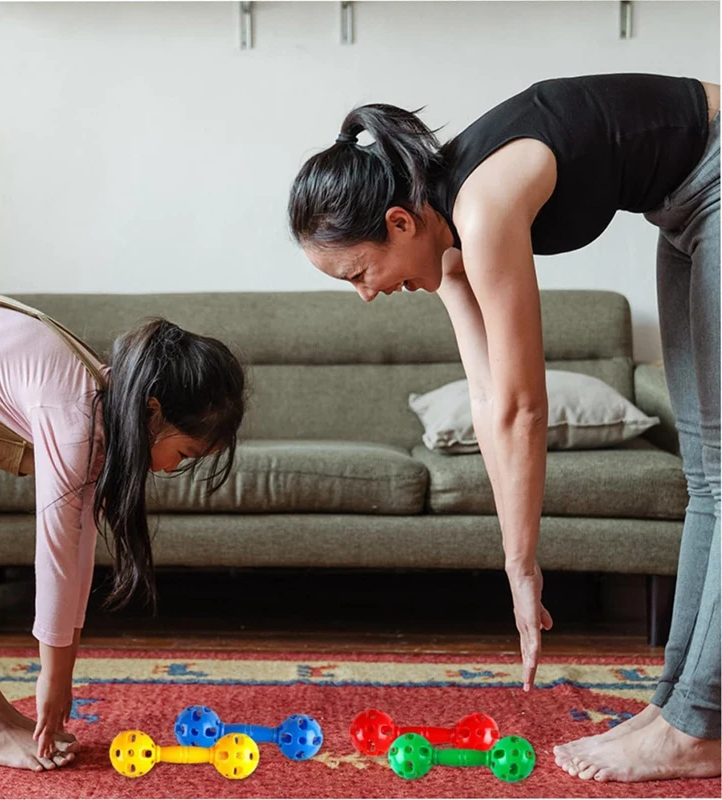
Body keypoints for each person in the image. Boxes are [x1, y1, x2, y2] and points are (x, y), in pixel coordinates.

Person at [288, 73, 720, 782]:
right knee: (705, 476)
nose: (367, 295)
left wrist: (525, 565)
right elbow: (488, 400)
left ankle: (696, 728)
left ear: (400, 222)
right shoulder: (447, 239)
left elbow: (525, 406)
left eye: (358, 273)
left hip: (716, 169)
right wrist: (512, 558)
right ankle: (680, 705)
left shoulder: (481, 210)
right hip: (681, 204)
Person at [0, 293, 245, 771]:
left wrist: (63, 673)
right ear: (153, 412)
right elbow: (54, 554)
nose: (172, 468)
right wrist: (51, 680)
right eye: (185, 454)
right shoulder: (77, 417)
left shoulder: (107, 415)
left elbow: (78, 550)